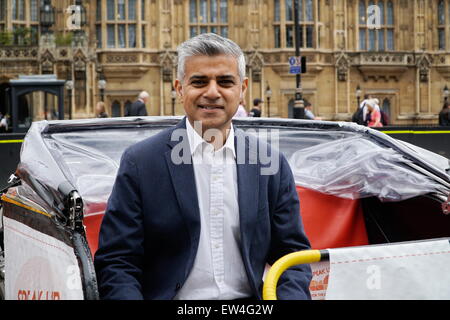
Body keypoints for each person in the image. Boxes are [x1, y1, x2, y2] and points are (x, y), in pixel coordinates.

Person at [94, 33, 312, 300]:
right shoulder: (141, 162)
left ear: (242, 89)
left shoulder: (270, 163)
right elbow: (117, 262)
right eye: (199, 81)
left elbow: (293, 257)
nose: (212, 92)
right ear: (179, 88)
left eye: (225, 81)